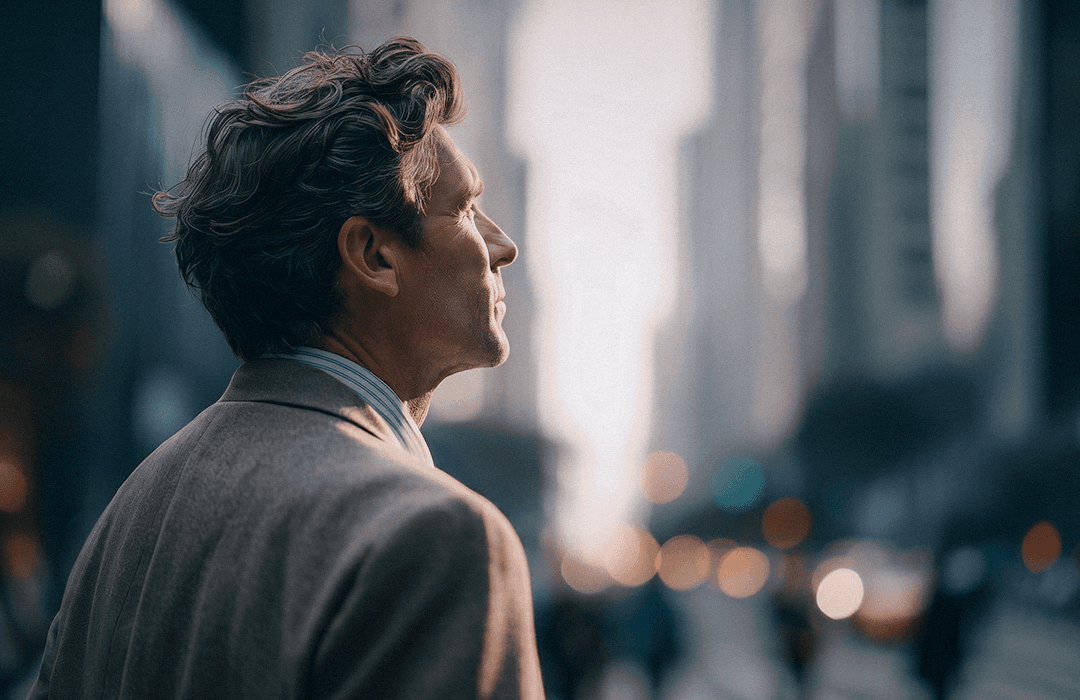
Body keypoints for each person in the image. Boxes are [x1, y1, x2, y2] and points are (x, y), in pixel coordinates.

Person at [28, 37, 543, 699]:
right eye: (467, 210)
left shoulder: (132, 517)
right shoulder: (439, 538)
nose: (503, 246)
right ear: (375, 256)